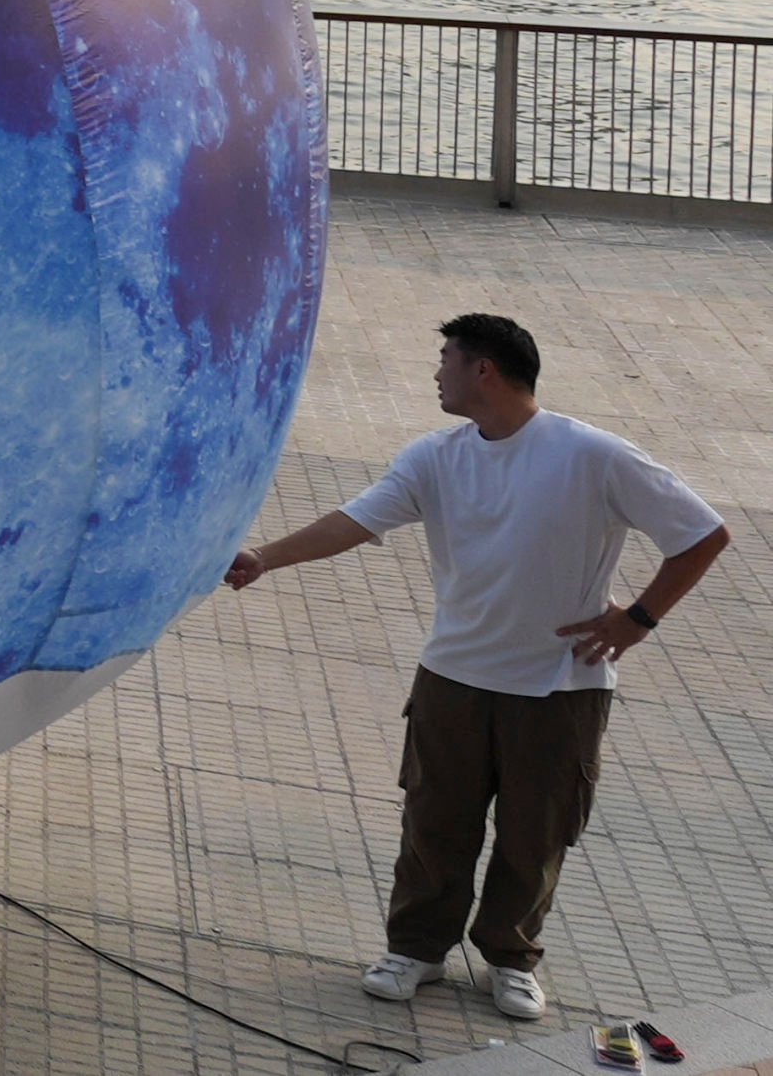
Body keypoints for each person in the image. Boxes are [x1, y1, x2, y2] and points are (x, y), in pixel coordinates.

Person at [225, 313, 729, 1024]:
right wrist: (263, 557)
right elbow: (354, 521)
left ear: (482, 369)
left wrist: (635, 620)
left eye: (445, 359)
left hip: (560, 686)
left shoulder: (592, 454)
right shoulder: (435, 456)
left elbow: (703, 533)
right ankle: (415, 949)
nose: (436, 372)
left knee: (535, 831)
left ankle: (508, 957)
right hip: (453, 676)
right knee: (435, 820)